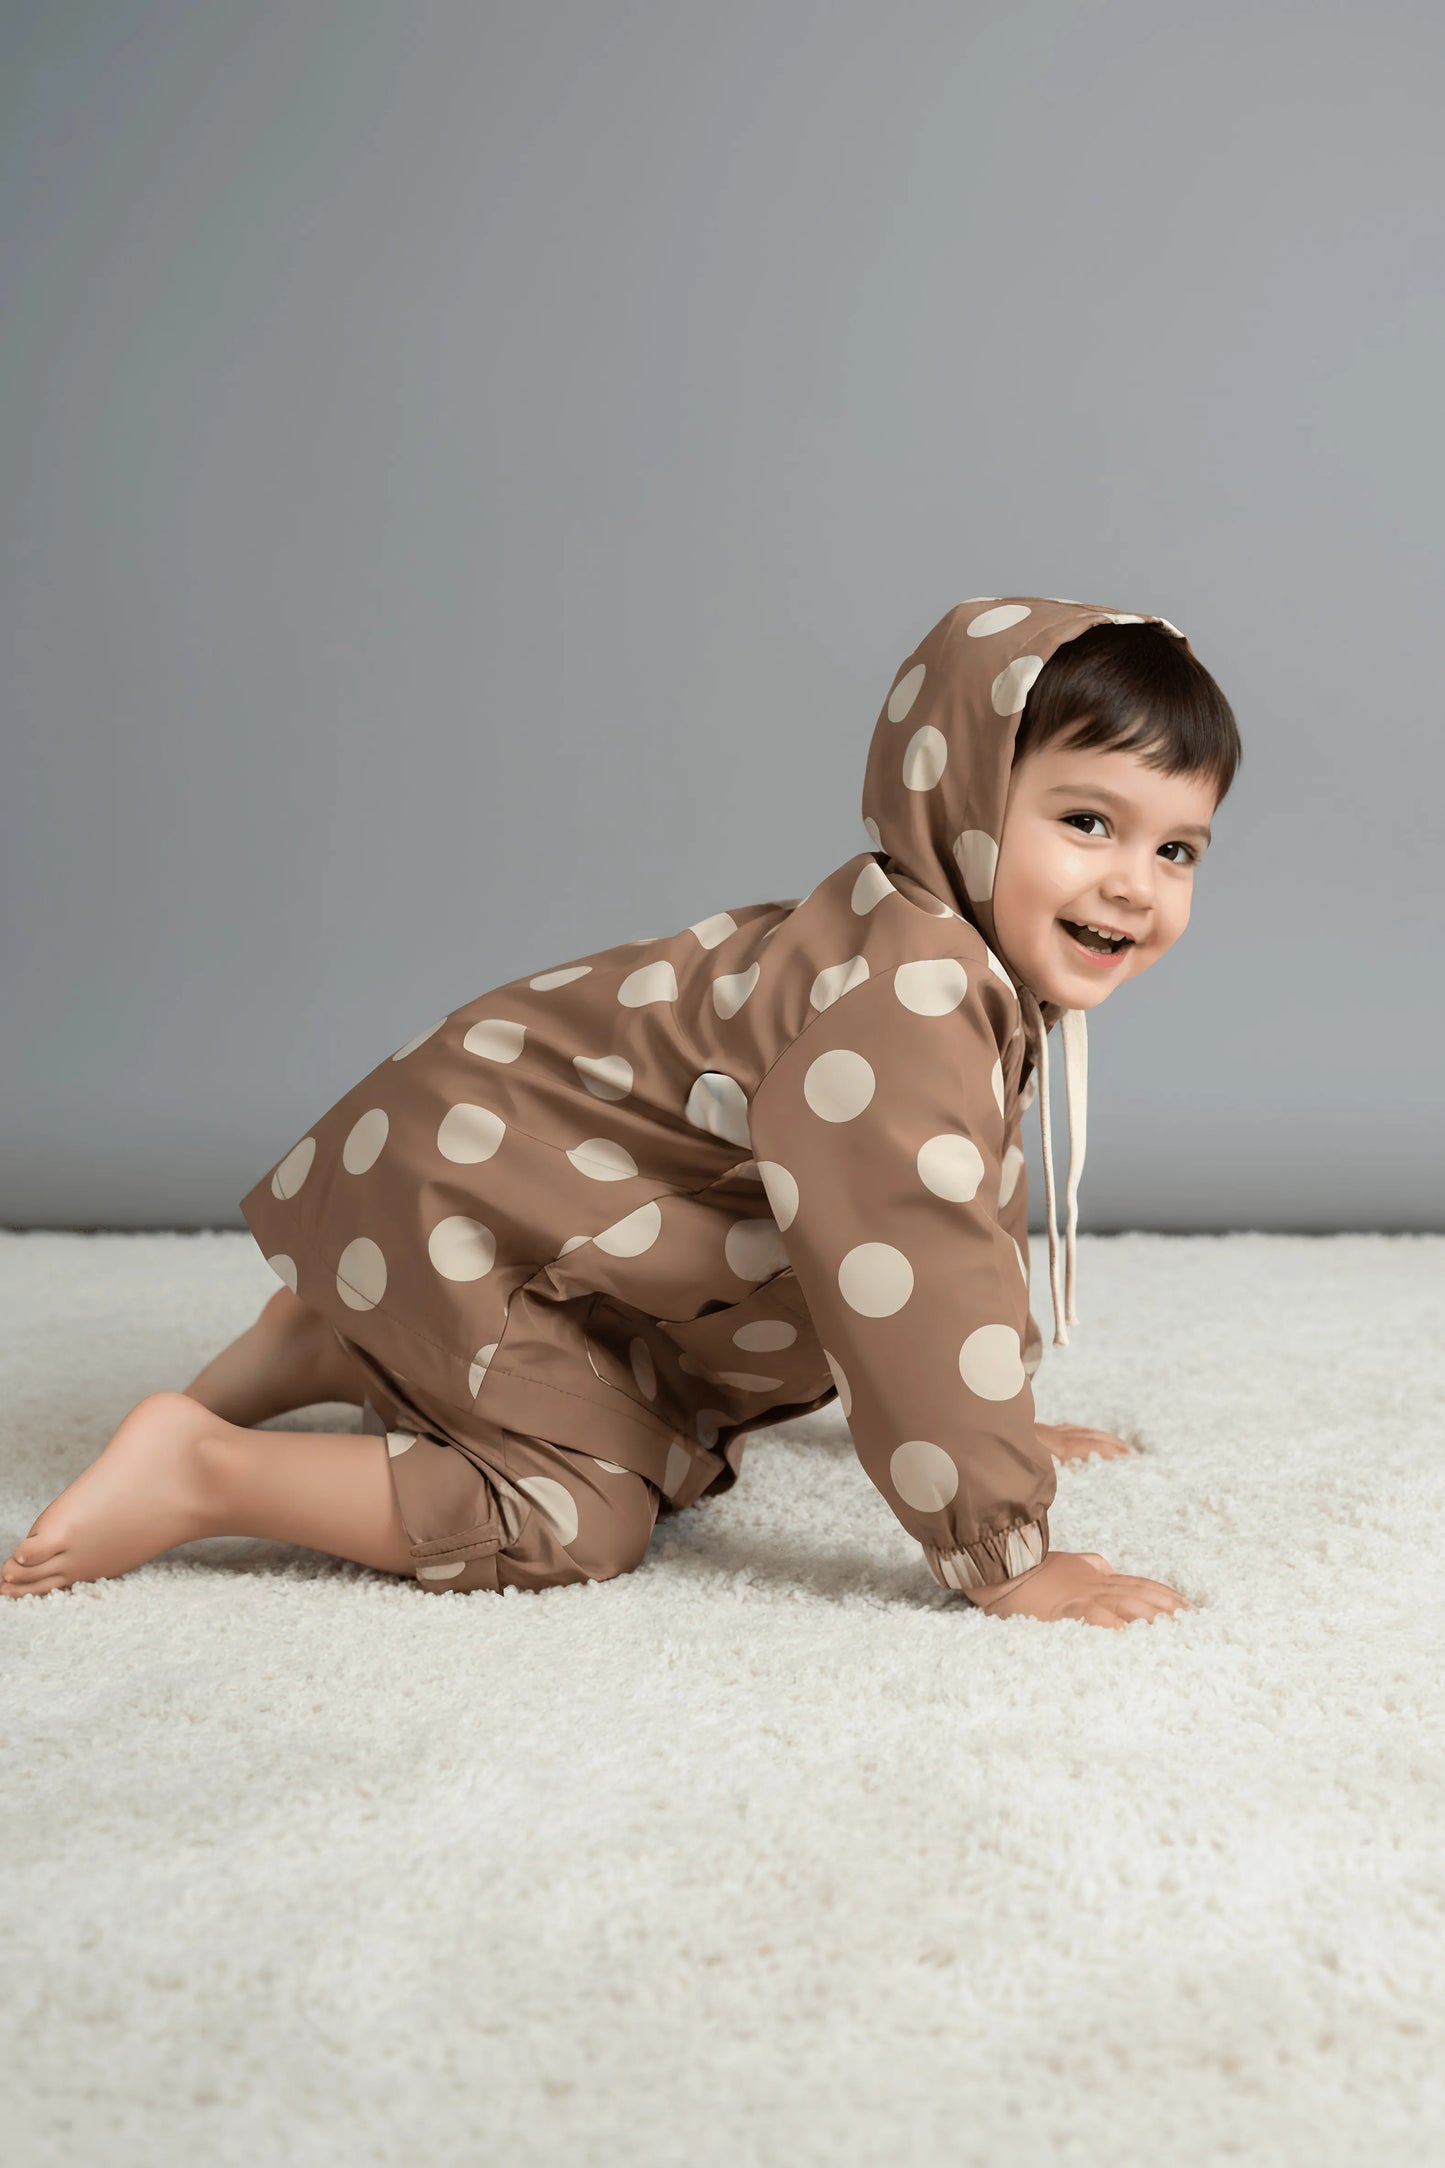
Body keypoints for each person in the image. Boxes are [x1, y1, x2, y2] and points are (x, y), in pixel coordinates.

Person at [2, 595, 1239, 1625]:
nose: (1132, 884)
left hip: (469, 1171)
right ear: (967, 796)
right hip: (483, 1211)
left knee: (706, 1340)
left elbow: (955, 1213)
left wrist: (1000, 1406)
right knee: (585, 1515)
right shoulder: (910, 997)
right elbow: (908, 1259)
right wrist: (1001, 1545)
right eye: (1086, 821)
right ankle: (207, 1468)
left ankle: (326, 1339)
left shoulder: (914, 947)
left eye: (1175, 848)